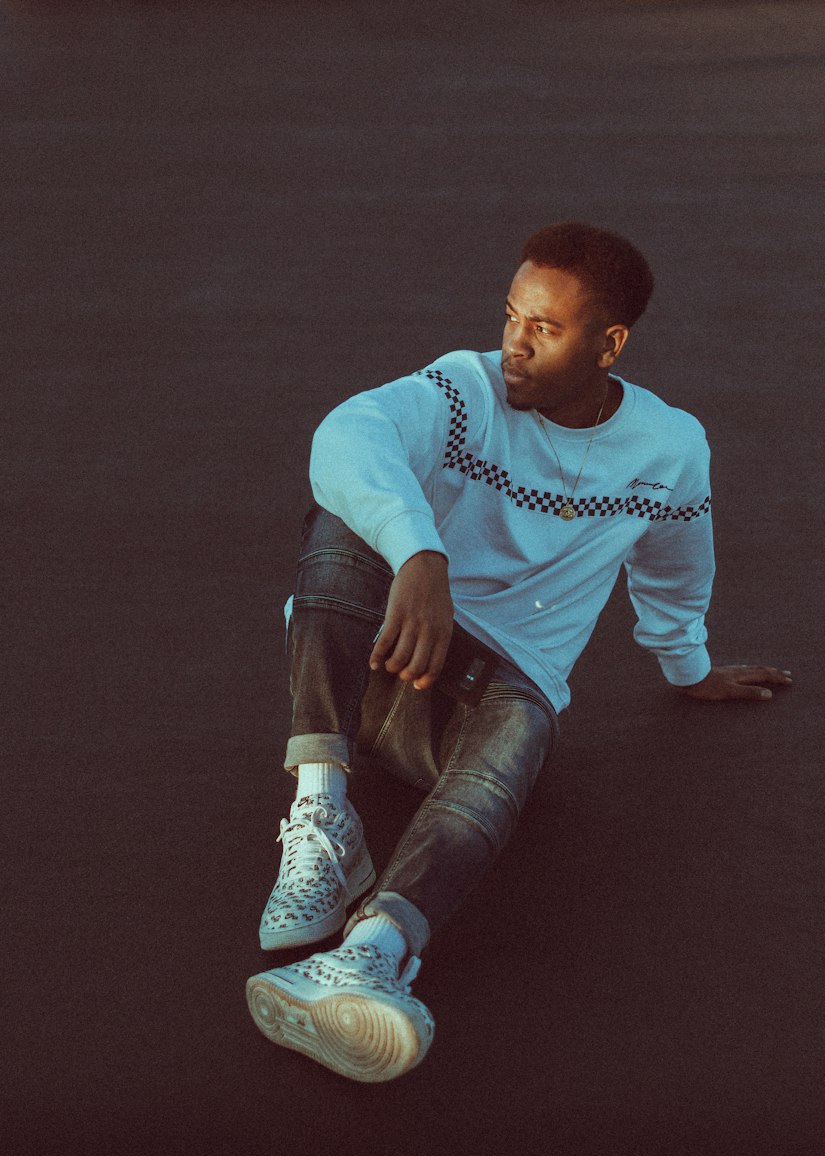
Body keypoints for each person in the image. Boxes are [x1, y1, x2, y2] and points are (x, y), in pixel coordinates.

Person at [245, 222, 791, 1083]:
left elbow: (678, 566)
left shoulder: (669, 449)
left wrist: (688, 668)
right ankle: (321, 817)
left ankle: (367, 955)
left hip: (482, 706)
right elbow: (346, 434)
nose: (515, 344)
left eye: (546, 328)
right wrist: (421, 555)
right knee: (344, 515)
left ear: (609, 344)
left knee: (525, 727)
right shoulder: (465, 391)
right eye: (511, 315)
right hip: (377, 664)